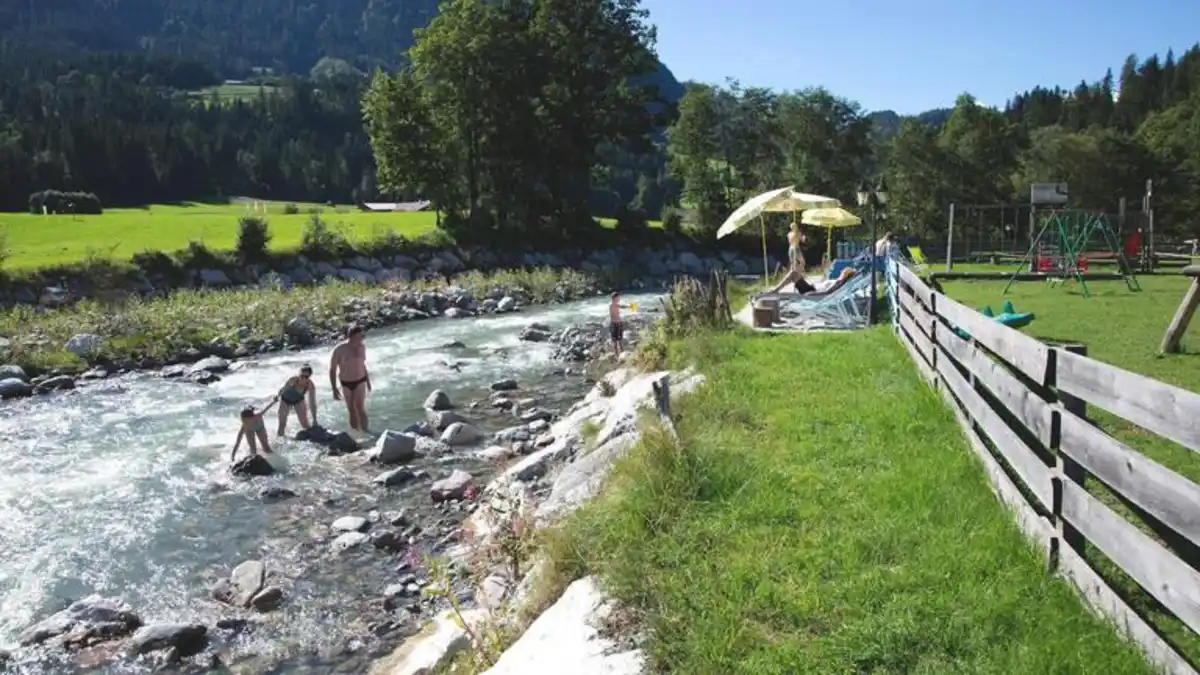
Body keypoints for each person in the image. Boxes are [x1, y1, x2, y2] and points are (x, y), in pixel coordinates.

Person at [330, 325, 371, 432]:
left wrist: (368, 381)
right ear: (351, 336)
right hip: (346, 383)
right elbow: (332, 369)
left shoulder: (362, 347)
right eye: (359, 337)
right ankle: (356, 433)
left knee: (360, 407)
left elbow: (362, 365)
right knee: (351, 409)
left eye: (362, 336)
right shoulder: (339, 349)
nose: (361, 339)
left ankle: (366, 432)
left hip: (360, 380)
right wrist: (334, 388)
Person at [231, 396, 279, 461]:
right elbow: (237, 442)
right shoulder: (245, 426)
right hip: (249, 430)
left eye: (246, 421)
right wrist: (232, 456)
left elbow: (266, 408)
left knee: (266, 448)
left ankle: (277, 460)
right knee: (253, 450)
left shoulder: (258, 416)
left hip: (259, 427)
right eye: (243, 420)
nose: (244, 422)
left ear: (252, 418)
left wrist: (274, 401)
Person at [277, 364, 317, 437]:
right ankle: (280, 440)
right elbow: (283, 390)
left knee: (305, 424)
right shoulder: (293, 380)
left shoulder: (310, 385)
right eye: (301, 376)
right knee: (282, 425)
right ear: (299, 374)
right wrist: (277, 397)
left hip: (298, 400)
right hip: (285, 400)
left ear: (310, 376)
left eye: (306, 377)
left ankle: (312, 438)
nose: (303, 379)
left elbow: (312, 403)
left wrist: (315, 419)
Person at [768, 263, 858, 296]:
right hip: (811, 288)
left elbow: (826, 293)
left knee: (794, 273)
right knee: (794, 273)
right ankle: (776, 290)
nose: (841, 271)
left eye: (844, 271)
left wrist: (811, 294)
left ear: (845, 275)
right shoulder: (837, 281)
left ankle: (776, 290)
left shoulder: (838, 283)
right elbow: (824, 285)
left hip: (811, 291)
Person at [609, 292, 624, 357]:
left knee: (620, 341)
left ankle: (623, 355)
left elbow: (621, 306)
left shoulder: (616, 304)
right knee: (615, 342)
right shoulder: (612, 305)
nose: (619, 298)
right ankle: (617, 356)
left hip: (619, 324)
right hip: (614, 324)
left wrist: (630, 306)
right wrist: (629, 306)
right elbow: (621, 306)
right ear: (614, 298)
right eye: (618, 297)